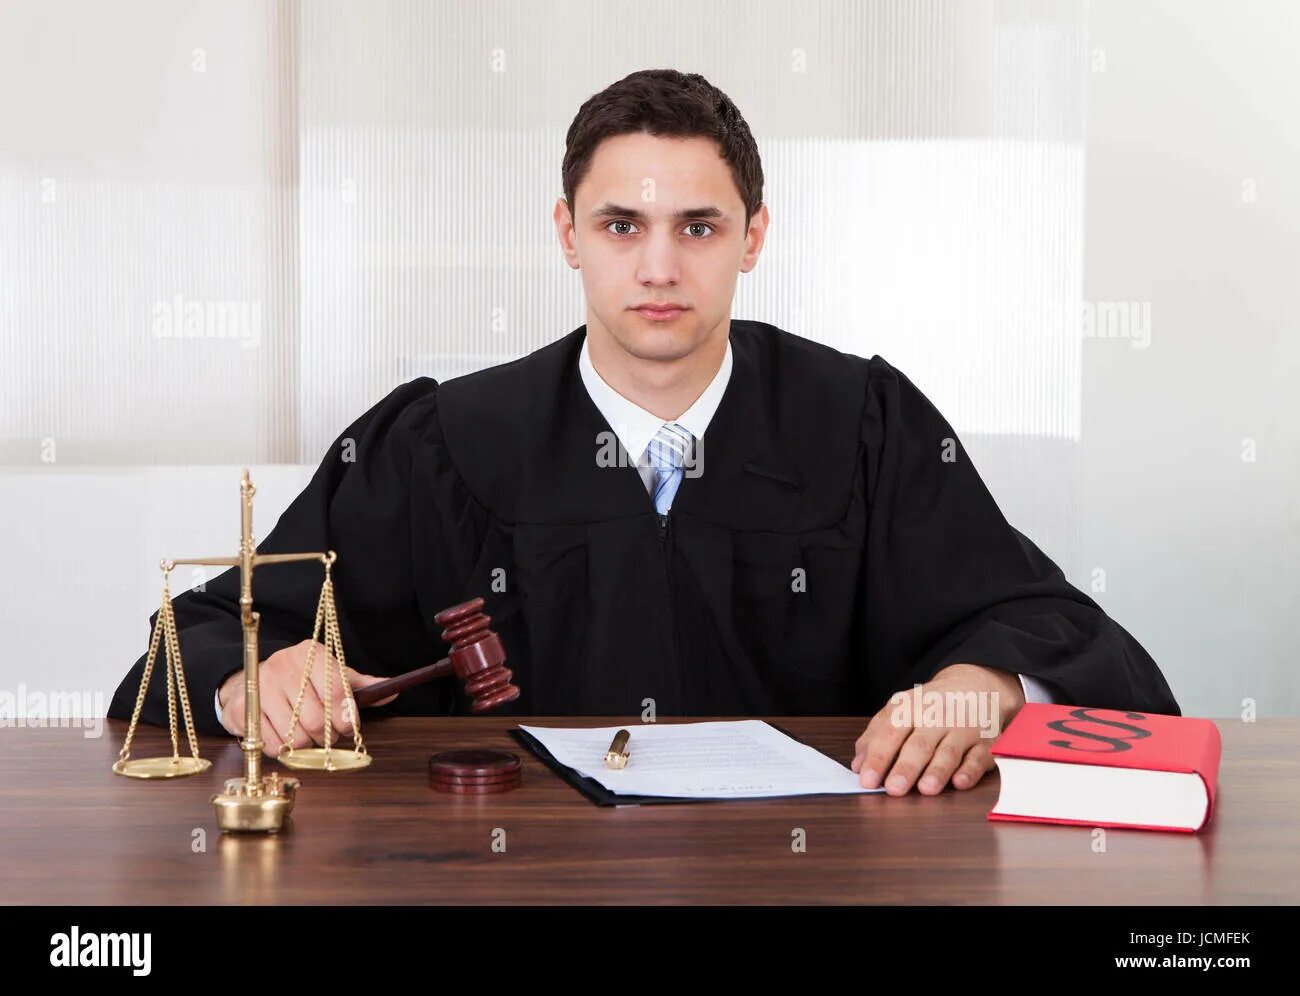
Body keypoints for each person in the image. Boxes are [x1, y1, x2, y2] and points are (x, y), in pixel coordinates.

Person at [109, 69, 1179, 797]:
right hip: (507, 885)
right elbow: (196, 636)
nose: (658, 268)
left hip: (812, 890)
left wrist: (987, 688)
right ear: (567, 233)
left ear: (752, 238)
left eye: (698, 227)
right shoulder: (441, 441)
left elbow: (1050, 628)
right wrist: (249, 679)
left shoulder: (859, 422)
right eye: (622, 225)